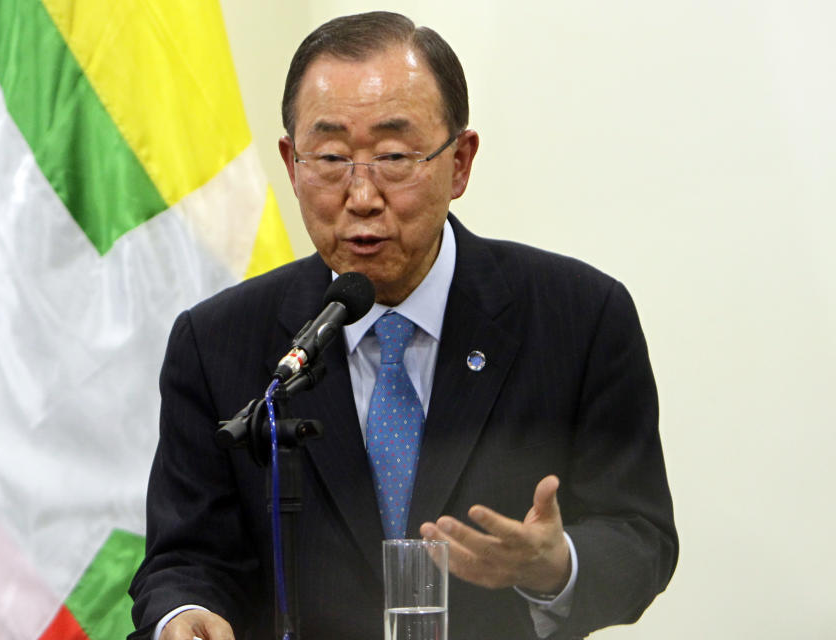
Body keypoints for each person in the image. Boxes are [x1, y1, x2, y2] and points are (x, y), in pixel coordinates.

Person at [129, 11, 677, 640]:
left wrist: (557, 566)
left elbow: (642, 537)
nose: (361, 195)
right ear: (291, 162)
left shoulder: (580, 318)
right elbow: (186, 556)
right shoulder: (219, 341)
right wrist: (184, 613)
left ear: (461, 163)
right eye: (331, 157)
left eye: (393, 156)